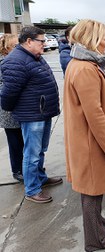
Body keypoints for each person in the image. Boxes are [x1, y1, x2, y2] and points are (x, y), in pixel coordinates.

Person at [63, 19, 105, 251]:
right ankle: (95, 241)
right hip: (92, 142)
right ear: (91, 39)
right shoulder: (85, 68)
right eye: (103, 37)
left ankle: (99, 225)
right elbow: (94, 112)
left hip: (89, 140)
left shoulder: (84, 63)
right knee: (92, 191)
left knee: (94, 189)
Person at [1, 26, 63, 202]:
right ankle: (32, 189)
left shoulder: (33, 56)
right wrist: (15, 110)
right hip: (32, 115)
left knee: (40, 150)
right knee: (32, 153)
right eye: (41, 41)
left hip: (42, 112)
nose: (45, 44)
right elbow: (8, 94)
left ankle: (40, 178)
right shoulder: (16, 60)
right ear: (29, 41)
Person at [0, 34, 24, 182]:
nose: (19, 48)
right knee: (15, 141)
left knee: (23, 140)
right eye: (15, 46)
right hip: (8, 110)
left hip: (17, 107)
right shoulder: (3, 63)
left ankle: (25, 167)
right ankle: (17, 170)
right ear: (6, 48)